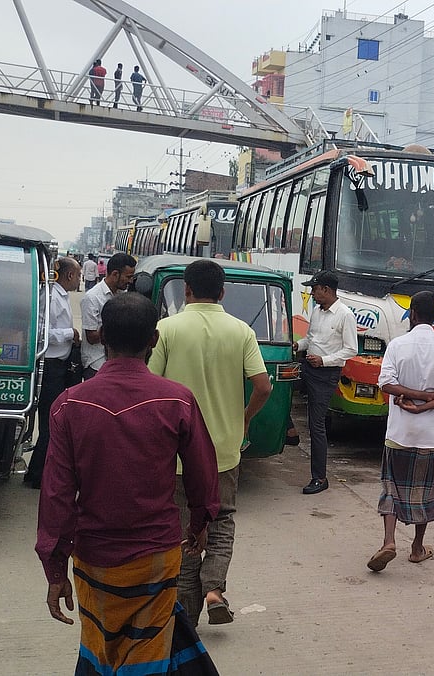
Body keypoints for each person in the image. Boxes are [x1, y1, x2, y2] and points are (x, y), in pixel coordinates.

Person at [36, 292, 221, 675]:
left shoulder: (70, 404)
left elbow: (56, 496)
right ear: (154, 340)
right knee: (146, 655)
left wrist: (55, 569)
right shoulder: (177, 400)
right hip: (156, 554)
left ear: (102, 336)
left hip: (93, 558)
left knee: (100, 645)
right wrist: (201, 524)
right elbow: (204, 475)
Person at [149, 259, 273, 627]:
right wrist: (244, 416)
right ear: (222, 293)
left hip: (176, 452)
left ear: (185, 290)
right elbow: (264, 386)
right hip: (223, 448)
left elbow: (152, 385)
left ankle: (185, 616)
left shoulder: (166, 329)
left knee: (186, 527)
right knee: (222, 519)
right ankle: (215, 588)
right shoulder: (240, 331)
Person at [367, 291, 434, 572]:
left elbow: (386, 383)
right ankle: (418, 548)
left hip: (399, 432)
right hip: (430, 435)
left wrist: (413, 396)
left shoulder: (398, 345)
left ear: (413, 313)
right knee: (425, 492)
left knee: (391, 489)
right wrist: (426, 404)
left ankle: (388, 541)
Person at [293, 270, 358, 495]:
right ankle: (288, 431)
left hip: (326, 374)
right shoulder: (318, 312)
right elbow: (310, 339)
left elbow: (351, 349)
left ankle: (319, 477)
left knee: (316, 425)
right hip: (309, 367)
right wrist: (297, 346)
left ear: (326, 290)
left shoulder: (345, 315)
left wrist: (324, 360)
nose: (312, 293)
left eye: (315, 289)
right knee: (279, 385)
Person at [24, 256, 81, 489]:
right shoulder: (49, 297)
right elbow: (40, 333)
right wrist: (69, 334)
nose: (79, 279)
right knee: (50, 422)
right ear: (69, 275)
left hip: (60, 364)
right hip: (50, 366)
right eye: (77, 275)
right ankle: (37, 474)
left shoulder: (61, 296)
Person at [80, 252, 136, 379]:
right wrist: (119, 327)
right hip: (96, 364)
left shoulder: (123, 295)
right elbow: (91, 337)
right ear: (115, 274)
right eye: (128, 277)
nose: (130, 281)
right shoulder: (92, 298)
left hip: (116, 363)